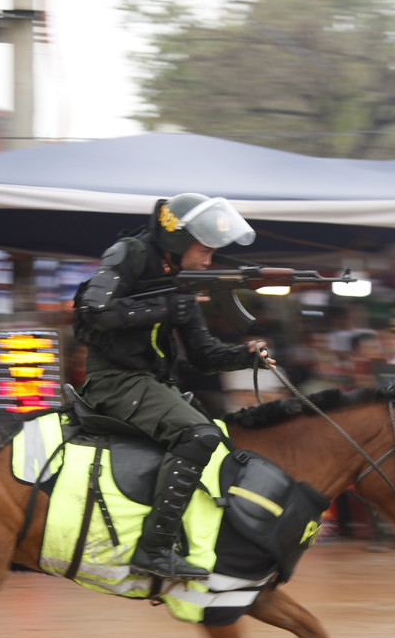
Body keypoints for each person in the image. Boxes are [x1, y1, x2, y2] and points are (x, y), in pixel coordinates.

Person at [73, 193, 271, 580]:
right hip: (113, 381)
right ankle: (154, 549)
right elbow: (92, 311)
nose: (209, 260)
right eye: (205, 250)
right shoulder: (127, 253)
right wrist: (165, 309)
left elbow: (203, 355)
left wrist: (246, 354)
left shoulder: (183, 282)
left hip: (151, 383)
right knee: (199, 434)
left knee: (222, 443)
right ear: (179, 241)